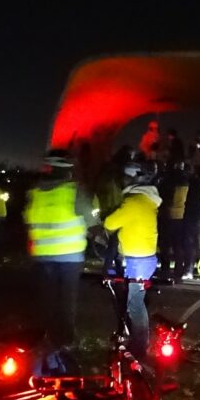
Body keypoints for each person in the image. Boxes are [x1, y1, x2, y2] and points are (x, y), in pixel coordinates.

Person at [24, 150, 95, 354]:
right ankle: (65, 340)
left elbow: (28, 220)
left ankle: (45, 337)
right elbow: (91, 222)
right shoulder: (74, 191)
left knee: (47, 299)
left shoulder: (34, 192)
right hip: (69, 256)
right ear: (67, 170)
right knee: (67, 300)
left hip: (42, 255)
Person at [103, 162, 162, 360]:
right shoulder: (146, 200)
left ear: (133, 179)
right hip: (143, 257)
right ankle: (137, 341)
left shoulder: (134, 201)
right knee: (136, 302)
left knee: (135, 305)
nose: (123, 182)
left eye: (126, 178)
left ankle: (140, 347)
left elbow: (110, 223)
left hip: (138, 260)